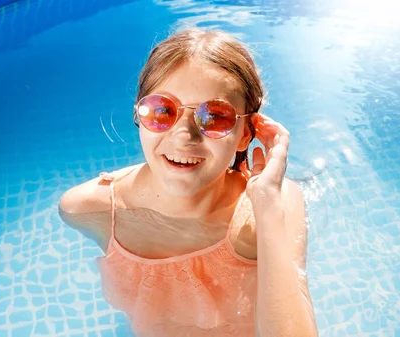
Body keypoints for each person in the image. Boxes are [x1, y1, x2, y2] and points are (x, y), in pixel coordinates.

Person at [58, 28, 318, 337]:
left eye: (214, 117)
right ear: (139, 117)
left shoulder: (269, 206)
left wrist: (268, 210)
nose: (184, 135)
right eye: (162, 111)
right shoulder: (89, 210)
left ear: (246, 134)